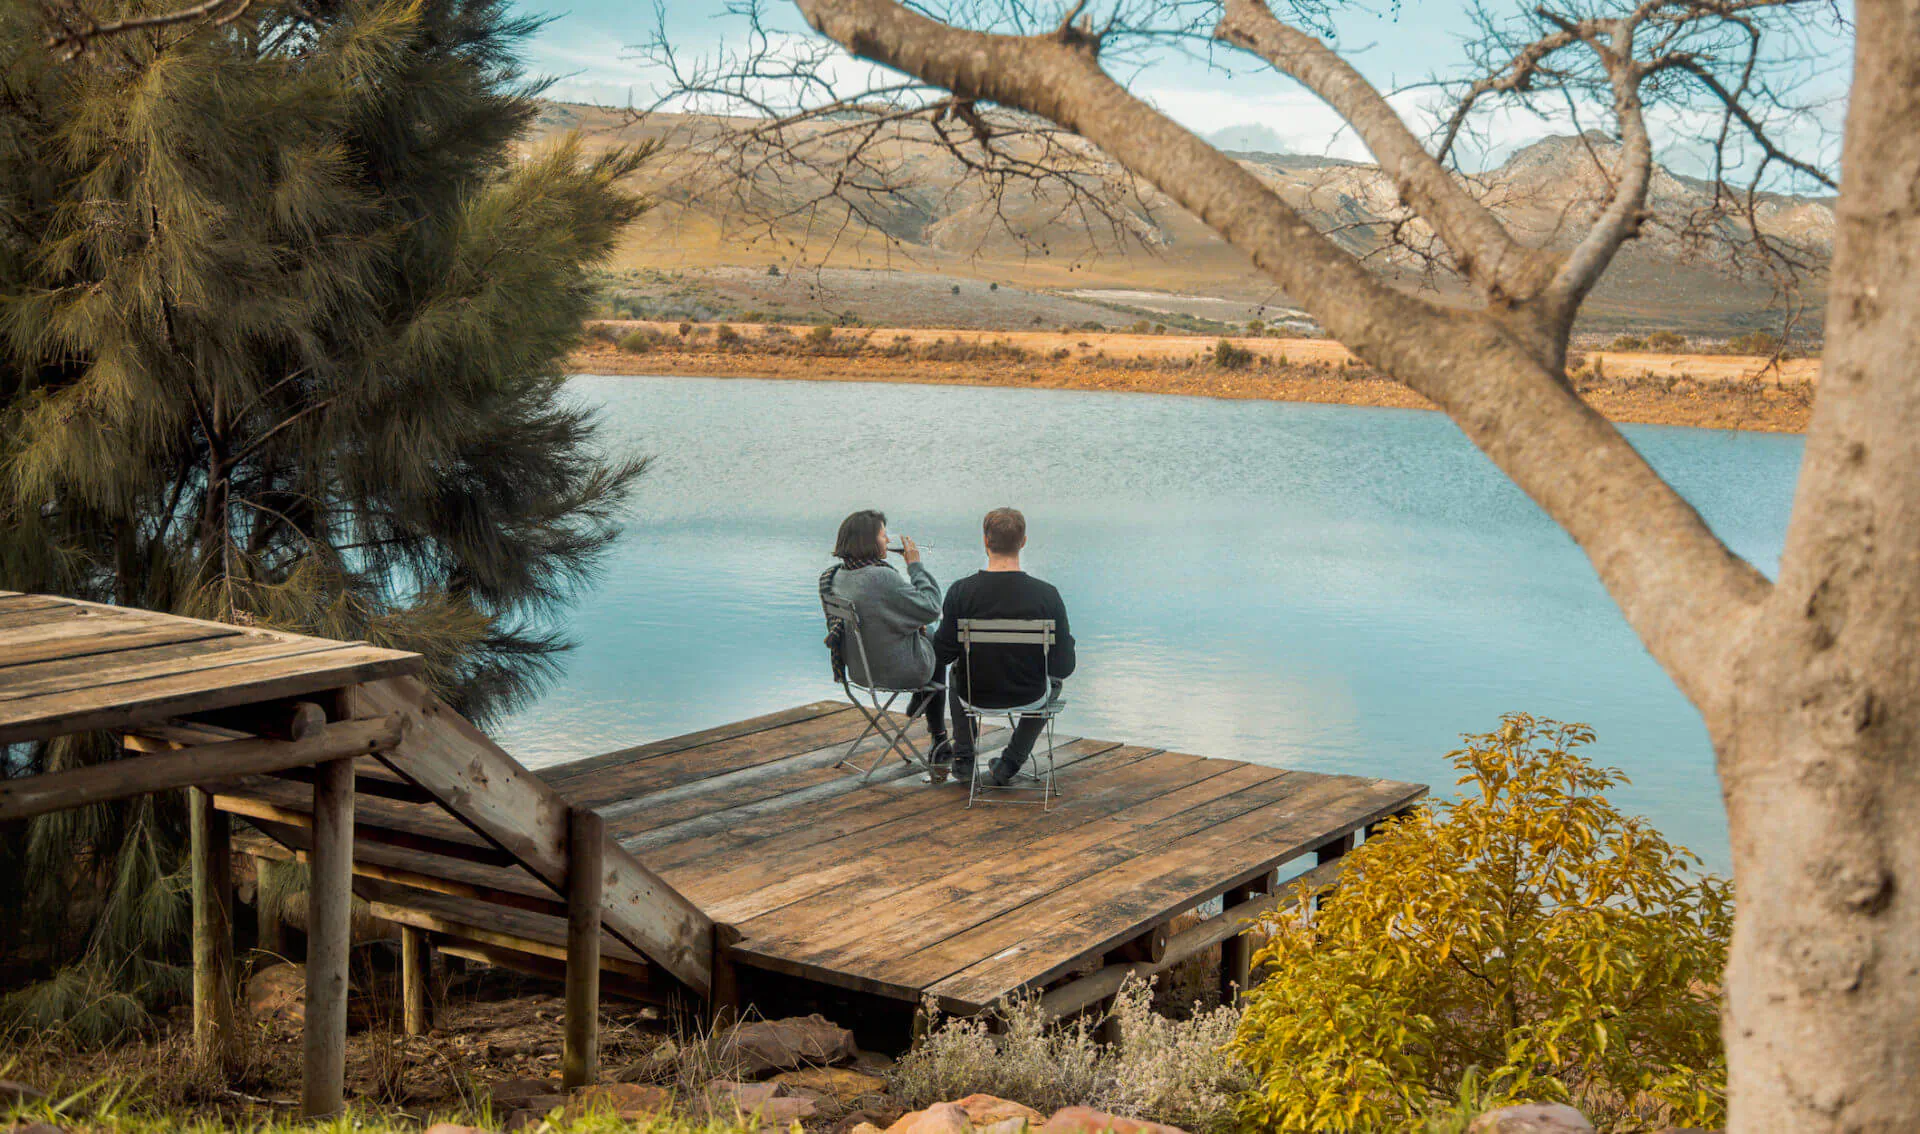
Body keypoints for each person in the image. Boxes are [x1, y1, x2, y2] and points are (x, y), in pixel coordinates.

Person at [934, 507, 1076, 787]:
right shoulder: (1047, 595)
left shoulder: (961, 591)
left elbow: (943, 654)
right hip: (1030, 695)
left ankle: (963, 759)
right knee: (1056, 683)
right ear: (1023, 542)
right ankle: (1010, 763)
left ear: (985, 541)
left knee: (955, 672)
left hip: (975, 695)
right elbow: (1064, 667)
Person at [819, 509, 951, 767]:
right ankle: (939, 737)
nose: (888, 541)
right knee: (937, 635)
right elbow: (933, 607)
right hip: (898, 672)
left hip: (859, 672)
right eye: (883, 535)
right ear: (868, 541)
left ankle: (925, 706)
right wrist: (915, 566)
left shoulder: (834, 577)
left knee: (925, 632)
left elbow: (882, 616)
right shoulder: (881, 577)